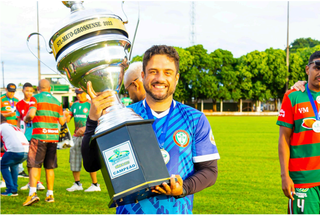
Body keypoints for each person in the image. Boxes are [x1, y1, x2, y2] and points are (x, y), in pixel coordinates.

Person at [82, 45, 220, 214]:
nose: (160, 78)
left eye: (167, 72)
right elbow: (91, 164)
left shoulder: (195, 119)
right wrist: (92, 120)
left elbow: (210, 171)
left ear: (176, 78)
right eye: (153, 71)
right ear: (143, 76)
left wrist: (183, 188)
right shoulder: (124, 116)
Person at [277, 51, 320, 214]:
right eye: (317, 67)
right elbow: (283, 139)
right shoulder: (293, 97)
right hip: (303, 180)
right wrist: (284, 175)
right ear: (307, 69)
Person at [22, 79, 65, 206]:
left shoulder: (35, 98)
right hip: (53, 137)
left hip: (39, 135)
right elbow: (62, 121)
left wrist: (26, 118)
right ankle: (50, 194)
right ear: (50, 88)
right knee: (49, 167)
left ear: (37, 88)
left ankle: (32, 194)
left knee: (34, 164)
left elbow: (31, 114)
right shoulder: (57, 102)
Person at [64, 88, 101, 192]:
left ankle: (95, 184)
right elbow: (67, 119)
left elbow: (98, 120)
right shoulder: (74, 105)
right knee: (74, 159)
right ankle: (77, 183)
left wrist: (86, 129)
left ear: (86, 93)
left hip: (88, 136)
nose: (78, 95)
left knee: (90, 159)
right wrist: (66, 115)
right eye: (77, 94)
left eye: (80, 93)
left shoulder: (91, 104)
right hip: (76, 136)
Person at [16, 82, 45, 191]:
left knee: (38, 158)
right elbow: (18, 120)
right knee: (29, 159)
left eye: (31, 91)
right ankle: (31, 182)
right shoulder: (19, 104)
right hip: (25, 135)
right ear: (22, 90)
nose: (29, 93)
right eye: (27, 90)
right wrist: (18, 133)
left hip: (37, 134)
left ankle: (38, 182)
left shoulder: (36, 101)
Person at [0, 114, 29, 196]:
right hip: (26, 150)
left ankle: (10, 190)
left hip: (15, 150)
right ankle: (14, 189)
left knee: (3, 165)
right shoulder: (12, 126)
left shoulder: (1, 127)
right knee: (14, 165)